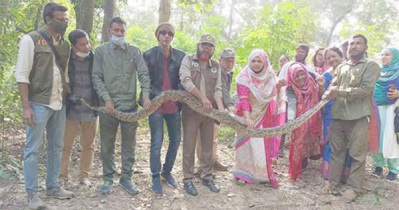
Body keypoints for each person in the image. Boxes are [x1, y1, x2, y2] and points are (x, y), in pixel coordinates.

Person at [15, 2, 73, 209]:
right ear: (48, 19)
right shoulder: (30, 39)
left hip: (59, 103)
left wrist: (69, 95)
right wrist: (26, 107)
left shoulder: (64, 45)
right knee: (32, 149)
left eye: (67, 20)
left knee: (56, 147)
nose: (65, 23)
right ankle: (32, 194)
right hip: (38, 103)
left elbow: (64, 73)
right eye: (61, 19)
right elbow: (22, 75)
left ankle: (53, 186)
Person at [92, 17, 152, 196]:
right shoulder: (101, 52)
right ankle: (107, 179)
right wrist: (106, 99)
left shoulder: (134, 51)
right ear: (109, 30)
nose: (119, 33)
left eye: (122, 31)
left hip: (129, 108)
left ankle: (126, 178)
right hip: (108, 107)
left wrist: (146, 96)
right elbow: (96, 77)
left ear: (125, 31)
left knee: (129, 145)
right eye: (116, 30)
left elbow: (144, 75)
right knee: (107, 144)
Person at [323, 34, 381, 202]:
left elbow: (365, 89)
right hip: (338, 117)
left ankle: (353, 188)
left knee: (357, 155)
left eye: (358, 44)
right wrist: (329, 91)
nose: (353, 46)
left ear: (365, 47)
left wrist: (338, 92)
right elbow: (334, 83)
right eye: (351, 44)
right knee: (336, 152)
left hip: (358, 118)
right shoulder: (342, 66)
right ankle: (332, 184)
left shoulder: (371, 66)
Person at [142, 22, 185, 195]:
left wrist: (177, 94)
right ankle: (154, 177)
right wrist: (158, 95)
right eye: (163, 33)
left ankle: (166, 172)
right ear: (158, 35)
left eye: (170, 33)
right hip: (156, 107)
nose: (167, 36)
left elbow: (183, 79)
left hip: (174, 108)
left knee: (175, 141)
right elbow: (146, 80)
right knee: (156, 143)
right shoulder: (149, 55)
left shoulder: (180, 56)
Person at [179, 34, 225, 196]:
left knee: (208, 145)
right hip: (192, 111)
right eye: (204, 45)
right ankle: (188, 179)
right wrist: (203, 98)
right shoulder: (188, 60)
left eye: (210, 46)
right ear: (198, 45)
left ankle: (207, 176)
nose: (207, 48)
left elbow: (218, 89)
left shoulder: (216, 66)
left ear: (213, 49)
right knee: (189, 146)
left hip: (209, 112)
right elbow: (185, 81)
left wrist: (220, 110)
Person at [233, 49, 286, 188]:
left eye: (259, 61)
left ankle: (259, 174)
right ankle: (242, 173)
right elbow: (243, 99)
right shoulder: (243, 77)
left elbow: (272, 93)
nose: (256, 64)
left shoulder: (269, 75)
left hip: (263, 114)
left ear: (264, 62)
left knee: (260, 144)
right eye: (253, 61)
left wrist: (279, 86)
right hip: (247, 114)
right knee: (245, 144)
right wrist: (247, 118)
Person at [59, 29, 98, 187]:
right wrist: (68, 95)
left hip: (91, 109)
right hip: (72, 110)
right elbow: (62, 79)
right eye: (82, 44)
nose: (87, 46)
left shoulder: (95, 59)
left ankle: (84, 177)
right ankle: (62, 177)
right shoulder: (66, 59)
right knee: (65, 145)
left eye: (88, 42)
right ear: (74, 46)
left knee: (88, 145)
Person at [195, 48, 237, 175]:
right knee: (203, 138)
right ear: (220, 60)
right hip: (208, 107)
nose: (229, 63)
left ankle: (213, 161)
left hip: (218, 110)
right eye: (226, 60)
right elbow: (222, 90)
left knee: (213, 136)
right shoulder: (218, 71)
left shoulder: (228, 73)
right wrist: (229, 105)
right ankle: (202, 166)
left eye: (232, 61)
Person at [286, 62, 324, 182]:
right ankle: (297, 167)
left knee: (310, 139)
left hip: (313, 118)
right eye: (296, 76)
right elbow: (291, 103)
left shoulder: (312, 82)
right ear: (292, 77)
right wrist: (291, 118)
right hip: (299, 120)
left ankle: (306, 160)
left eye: (302, 74)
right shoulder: (291, 88)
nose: (300, 78)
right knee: (298, 141)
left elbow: (321, 95)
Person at [320, 47, 351, 181]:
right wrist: (321, 85)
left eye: (334, 56)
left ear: (341, 55)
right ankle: (330, 172)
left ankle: (345, 173)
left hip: (348, 111)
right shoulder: (326, 75)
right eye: (328, 58)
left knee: (347, 141)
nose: (332, 59)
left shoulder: (350, 70)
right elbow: (322, 97)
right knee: (330, 141)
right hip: (330, 112)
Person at [372, 47, 399, 181]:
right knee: (377, 136)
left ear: (394, 56)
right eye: (381, 54)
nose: (383, 57)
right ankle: (378, 165)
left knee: (391, 137)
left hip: (394, 109)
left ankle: (394, 169)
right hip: (377, 107)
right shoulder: (377, 72)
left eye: (387, 54)